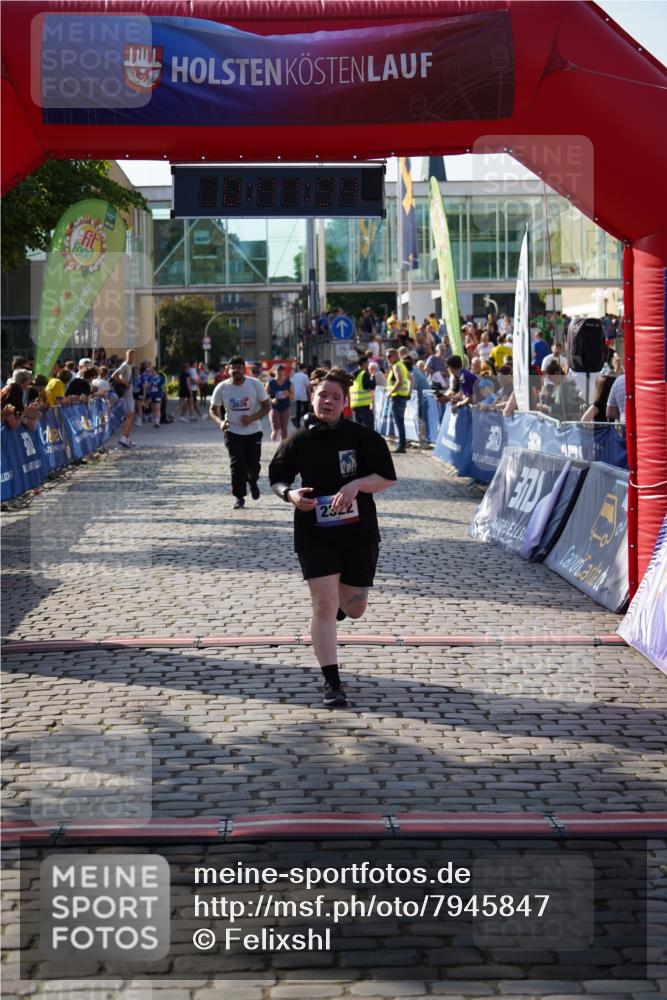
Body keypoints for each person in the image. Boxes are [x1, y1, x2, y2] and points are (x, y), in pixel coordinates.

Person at [268, 366, 397, 708]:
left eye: (335, 397)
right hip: (315, 531)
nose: (327, 401)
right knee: (323, 604)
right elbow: (278, 478)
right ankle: (332, 682)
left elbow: (386, 477)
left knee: (354, 609)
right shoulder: (298, 439)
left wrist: (357, 484)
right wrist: (291, 496)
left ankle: (341, 609)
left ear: (344, 403)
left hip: (359, 532)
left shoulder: (363, 437)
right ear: (312, 397)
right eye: (322, 395)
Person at [209, 356, 271, 509]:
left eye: (239, 368)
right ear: (228, 370)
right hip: (233, 431)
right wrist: (220, 422)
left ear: (244, 369)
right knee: (236, 465)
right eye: (233, 368)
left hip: (254, 431)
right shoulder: (222, 387)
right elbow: (213, 409)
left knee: (253, 465)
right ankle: (239, 497)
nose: (236, 371)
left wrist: (252, 418)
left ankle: (252, 480)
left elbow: (266, 406)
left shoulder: (255, 384)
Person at [385, 347, 410, 453]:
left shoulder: (396, 366)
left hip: (397, 398)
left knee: (399, 422)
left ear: (395, 356)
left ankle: (401, 445)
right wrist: (408, 392)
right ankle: (402, 445)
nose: (387, 359)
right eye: (386, 357)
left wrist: (390, 393)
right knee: (400, 422)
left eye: (389, 356)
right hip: (401, 397)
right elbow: (411, 379)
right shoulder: (402, 365)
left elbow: (399, 381)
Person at [111, 349, 137, 449]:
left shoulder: (130, 366)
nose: (132, 358)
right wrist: (126, 384)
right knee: (130, 415)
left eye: (133, 356)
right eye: (130, 356)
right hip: (126, 393)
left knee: (131, 415)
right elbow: (114, 375)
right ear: (126, 356)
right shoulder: (125, 365)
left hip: (129, 393)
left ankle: (126, 438)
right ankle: (123, 438)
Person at [267, 364, 293, 442]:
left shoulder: (288, 383)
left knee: (284, 428)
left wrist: (288, 394)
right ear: (275, 372)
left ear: (284, 372)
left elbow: (292, 397)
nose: (280, 373)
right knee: (276, 428)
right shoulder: (270, 383)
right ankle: (274, 445)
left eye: (281, 371)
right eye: (278, 371)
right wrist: (272, 400)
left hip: (285, 407)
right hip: (274, 407)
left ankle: (283, 445)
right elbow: (264, 397)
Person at [349, 354, 375, 430]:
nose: (368, 365)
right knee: (369, 430)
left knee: (357, 430)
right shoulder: (364, 374)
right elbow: (371, 386)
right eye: (368, 363)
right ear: (364, 364)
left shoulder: (352, 375)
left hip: (354, 406)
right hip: (364, 407)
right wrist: (373, 377)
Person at [291, 363, 310, 428]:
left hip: (296, 394)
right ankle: (296, 419)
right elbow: (308, 387)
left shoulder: (295, 375)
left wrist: (293, 393)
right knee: (306, 409)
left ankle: (297, 422)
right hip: (303, 395)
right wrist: (309, 395)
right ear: (304, 368)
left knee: (298, 409)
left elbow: (292, 385)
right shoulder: (305, 376)